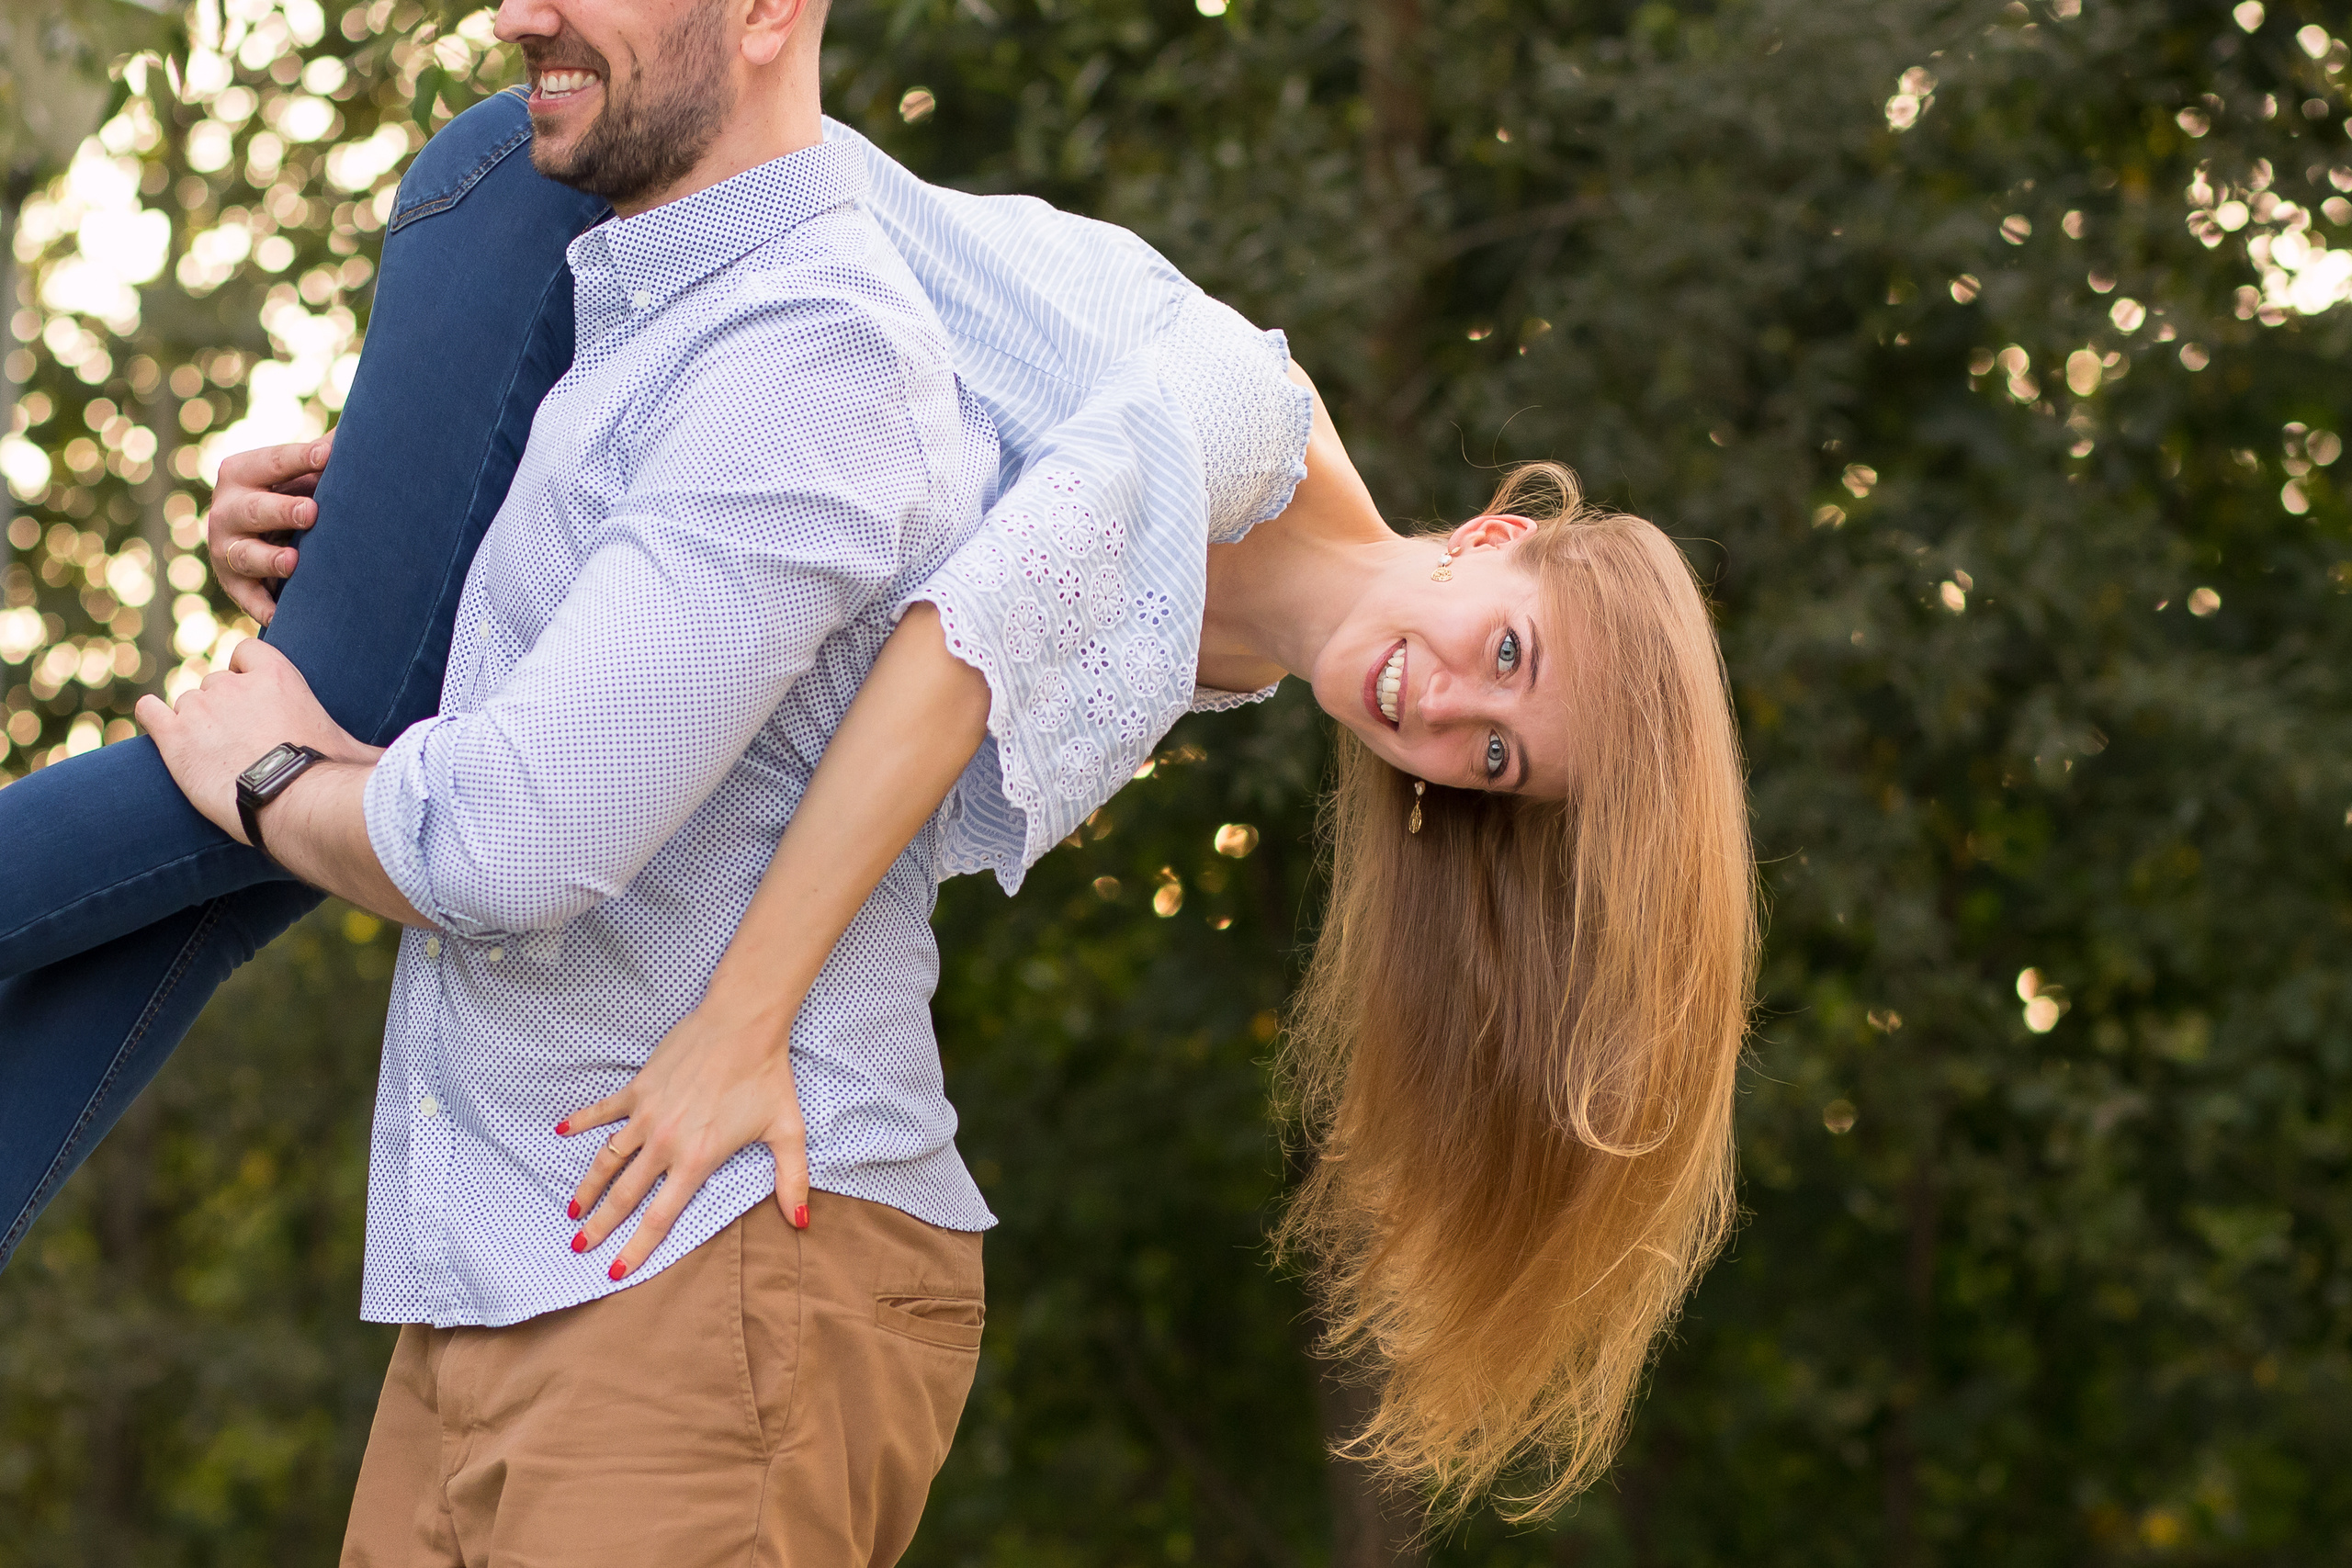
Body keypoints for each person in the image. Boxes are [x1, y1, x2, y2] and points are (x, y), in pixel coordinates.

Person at [1, 1, 1759, 1540]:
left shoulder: (1200, 675)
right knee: (266, 793)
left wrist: (398, 540)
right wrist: (739, 1025)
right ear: (1490, 541)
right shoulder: (1235, 413)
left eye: (1496, 756)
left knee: (263, 841)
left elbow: (727, 638)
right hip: (579, 199)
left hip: (619, 330)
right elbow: (946, 647)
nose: (1450, 709)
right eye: (1505, 653)